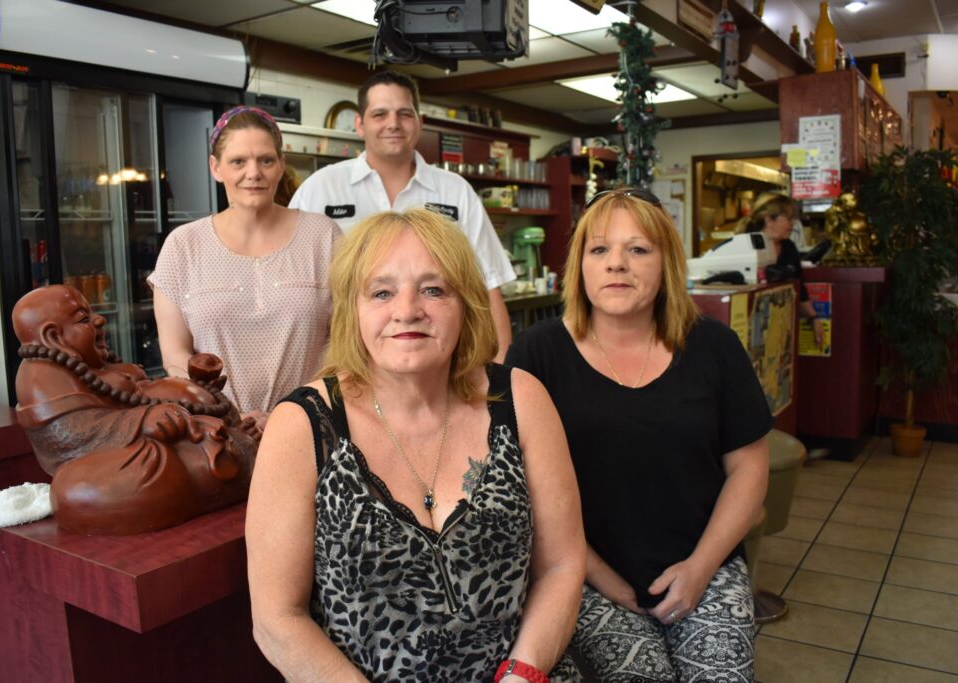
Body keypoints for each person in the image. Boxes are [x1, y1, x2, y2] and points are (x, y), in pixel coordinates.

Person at [246, 208, 585, 682]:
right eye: (382, 292)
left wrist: (521, 675)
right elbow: (277, 620)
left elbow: (562, 566)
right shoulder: (302, 424)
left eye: (433, 290)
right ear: (352, 310)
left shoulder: (520, 398)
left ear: (466, 304)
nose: (407, 311)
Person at [506, 189, 770, 682]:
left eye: (638, 249)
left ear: (666, 262)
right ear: (579, 266)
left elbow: (749, 468)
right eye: (599, 249)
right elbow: (523, 490)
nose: (617, 264)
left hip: (705, 564)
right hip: (582, 573)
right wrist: (603, 578)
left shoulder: (715, 346)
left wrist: (700, 568)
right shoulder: (536, 354)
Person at [289, 70, 516, 359]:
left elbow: (488, 286)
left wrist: (500, 368)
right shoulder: (320, 188)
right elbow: (291, 286)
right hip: (344, 359)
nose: (393, 123)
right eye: (380, 114)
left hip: (437, 361)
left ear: (419, 122)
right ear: (360, 124)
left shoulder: (455, 191)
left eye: (404, 114)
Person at [12, 285, 258, 535]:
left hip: (173, 429)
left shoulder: (93, 362)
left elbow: (129, 396)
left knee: (211, 440)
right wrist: (142, 420)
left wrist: (198, 389)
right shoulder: (41, 374)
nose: (99, 320)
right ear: (53, 337)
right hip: (123, 453)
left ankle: (226, 448)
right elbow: (70, 435)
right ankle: (224, 459)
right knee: (79, 489)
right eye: (84, 319)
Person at [150, 106, 339, 430]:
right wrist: (231, 416)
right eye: (238, 161)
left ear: (281, 165)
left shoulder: (324, 236)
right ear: (216, 167)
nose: (254, 173)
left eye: (266, 160)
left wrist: (292, 415)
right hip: (215, 434)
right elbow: (175, 355)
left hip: (312, 428)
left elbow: (346, 342)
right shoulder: (183, 246)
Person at [739, 192, 826, 350]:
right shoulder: (745, 245)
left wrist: (813, 318)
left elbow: (799, 287)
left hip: (780, 329)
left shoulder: (788, 247)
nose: (792, 224)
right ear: (769, 220)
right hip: (749, 329)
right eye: (788, 218)